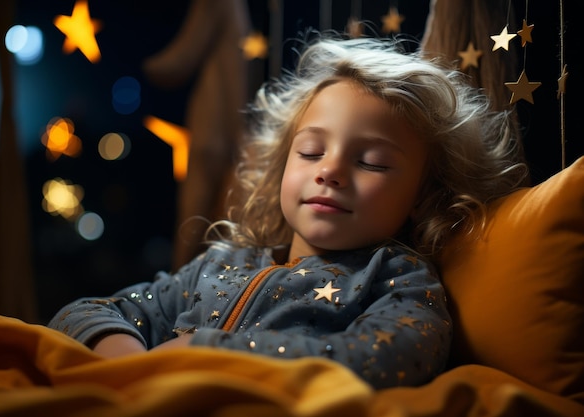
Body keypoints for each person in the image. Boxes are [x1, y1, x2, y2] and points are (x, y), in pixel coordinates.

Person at [48, 35, 528, 389]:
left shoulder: (397, 279)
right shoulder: (221, 264)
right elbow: (93, 311)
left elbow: (394, 357)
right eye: (311, 151)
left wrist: (209, 351)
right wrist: (124, 359)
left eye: (371, 162)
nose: (331, 171)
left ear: (423, 196)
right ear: (283, 165)